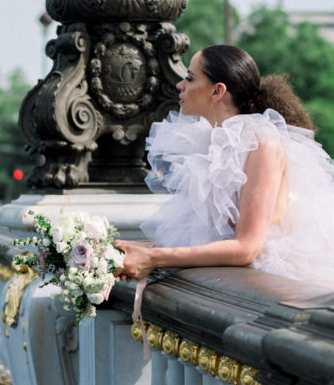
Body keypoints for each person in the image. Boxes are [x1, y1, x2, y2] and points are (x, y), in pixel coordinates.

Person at [116, 45, 334, 289]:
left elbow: (247, 248)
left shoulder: (262, 143)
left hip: (271, 280)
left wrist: (154, 258)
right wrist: (119, 249)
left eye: (189, 78)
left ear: (218, 90)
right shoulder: (209, 143)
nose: (180, 85)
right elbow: (201, 239)